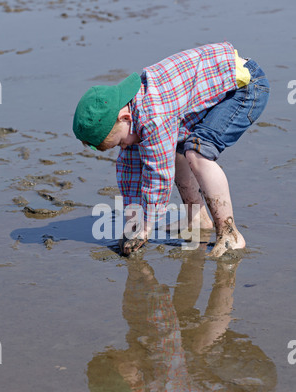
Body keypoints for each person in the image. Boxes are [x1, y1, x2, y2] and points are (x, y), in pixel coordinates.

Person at [73, 42, 270, 257]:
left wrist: (146, 226)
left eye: (120, 142)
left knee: (197, 152)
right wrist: (134, 221)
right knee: (175, 149)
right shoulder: (130, 117)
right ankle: (197, 219)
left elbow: (159, 174)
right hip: (221, 88)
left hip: (245, 87)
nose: (124, 146)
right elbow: (129, 171)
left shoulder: (153, 117)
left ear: (125, 118)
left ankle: (229, 234)